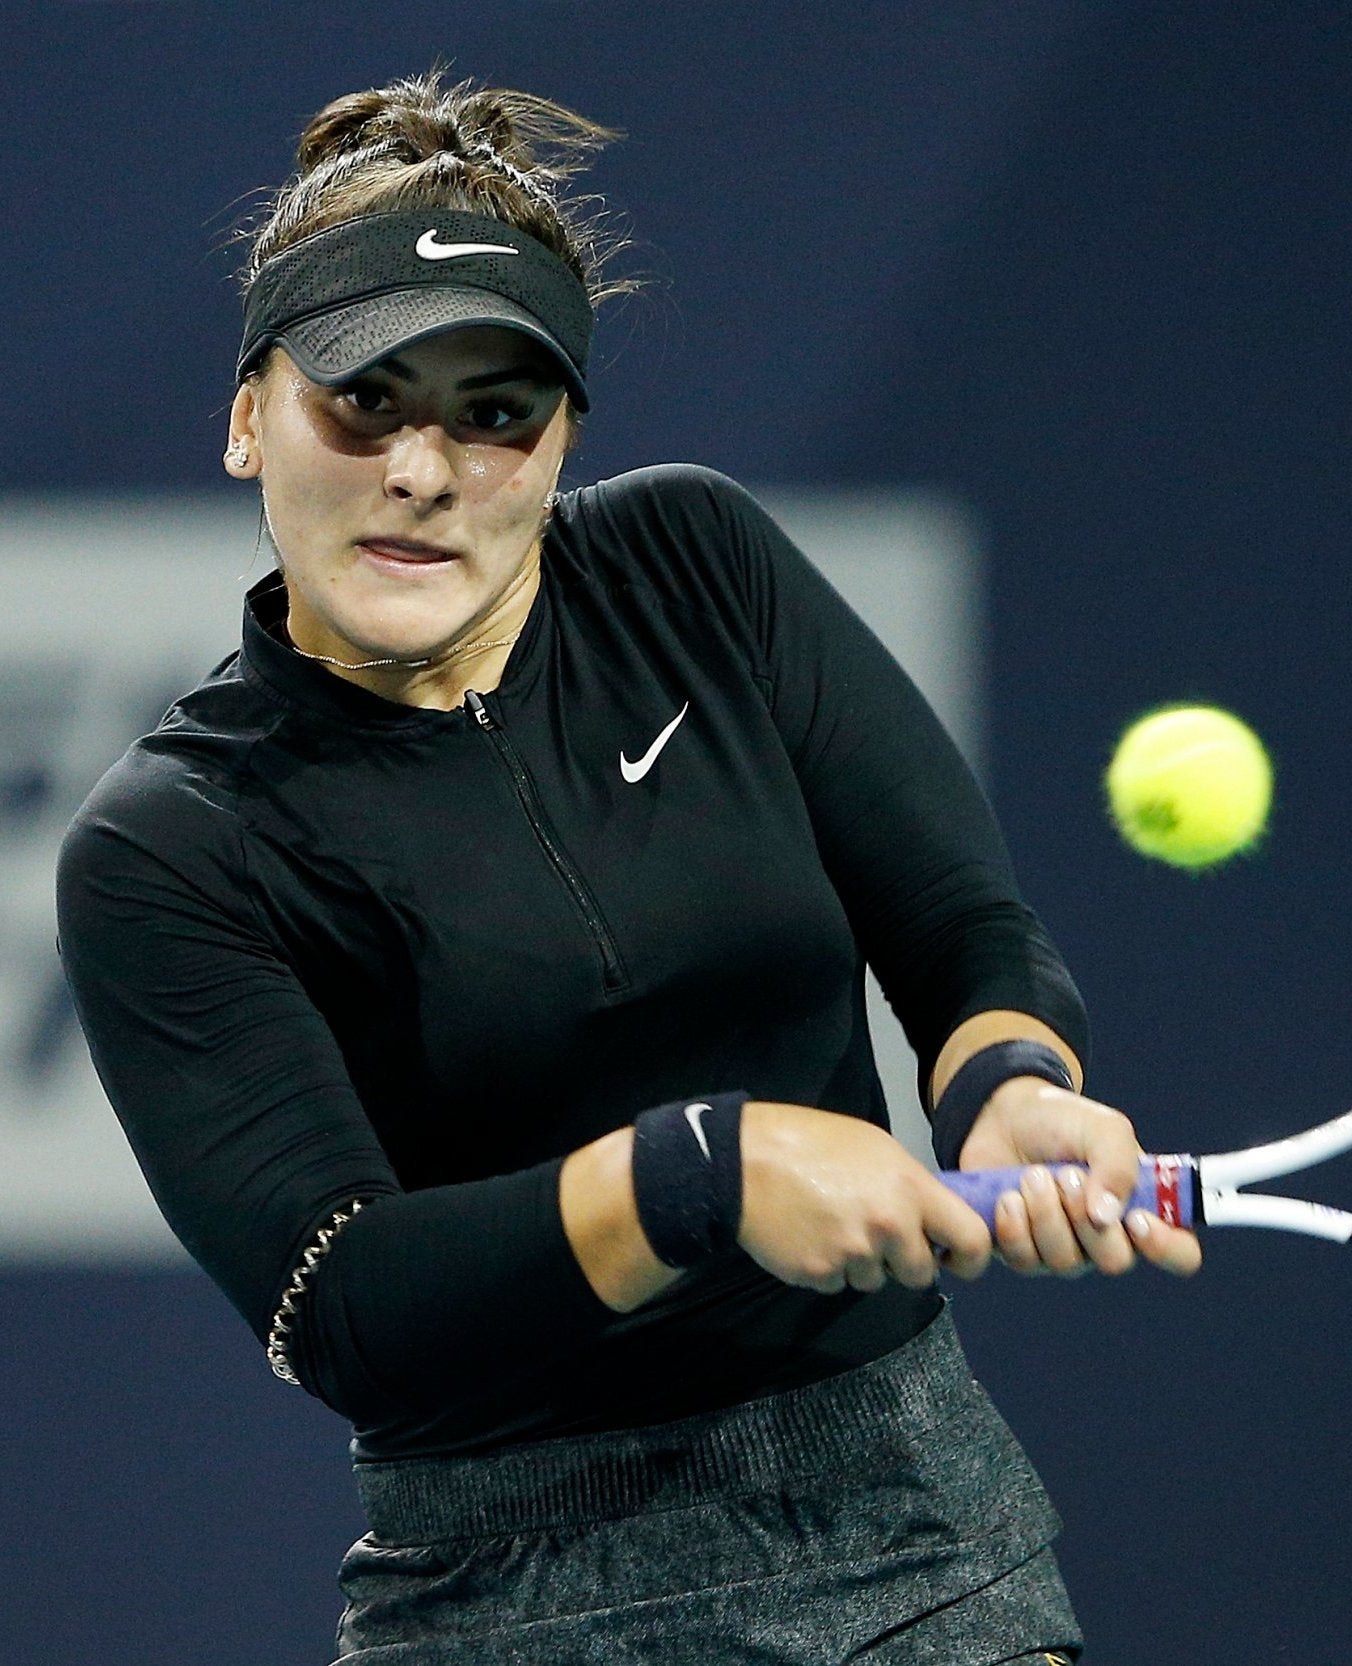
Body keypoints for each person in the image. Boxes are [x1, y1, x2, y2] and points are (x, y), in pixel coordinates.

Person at [55, 70, 1197, 1665]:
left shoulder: (695, 560)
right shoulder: (172, 842)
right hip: (500, 1601)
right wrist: (701, 1174)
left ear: (563, 436)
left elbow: (956, 923)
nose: (424, 468)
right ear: (250, 415)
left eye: (494, 409)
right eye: (363, 398)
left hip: (915, 1542)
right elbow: (346, 1306)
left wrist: (1006, 1076)